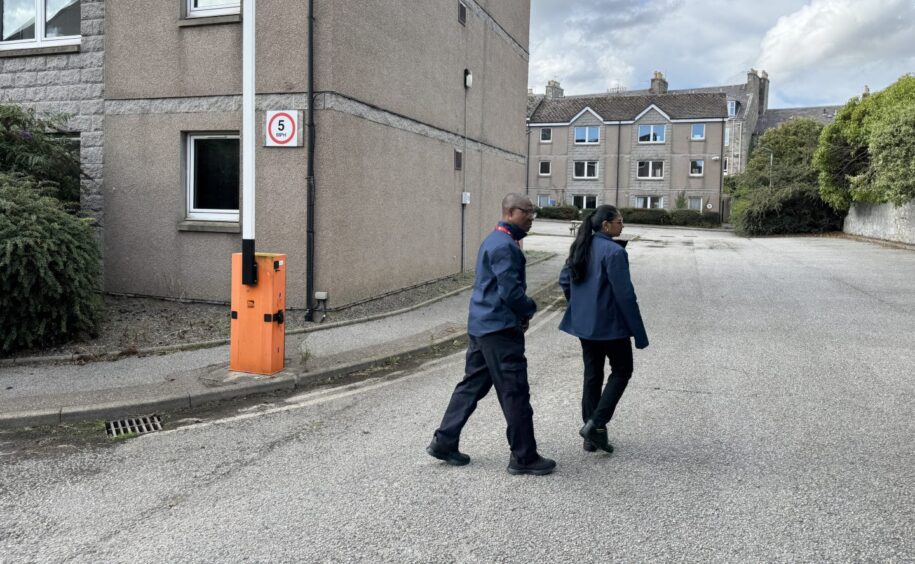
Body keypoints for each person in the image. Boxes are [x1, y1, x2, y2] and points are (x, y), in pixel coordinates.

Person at [427, 193, 556, 476]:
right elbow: (511, 293)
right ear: (510, 212)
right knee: (515, 392)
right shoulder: (505, 247)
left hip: (482, 327)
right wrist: (529, 308)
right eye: (527, 212)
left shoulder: (494, 240)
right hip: (499, 331)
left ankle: (444, 441)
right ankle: (524, 456)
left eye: (533, 213)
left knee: (471, 385)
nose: (532, 218)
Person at [559, 205, 648, 454]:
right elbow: (625, 296)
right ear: (606, 225)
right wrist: (638, 333)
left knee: (592, 376)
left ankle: (591, 438)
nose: (622, 226)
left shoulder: (581, 245)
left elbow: (565, 279)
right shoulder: (613, 252)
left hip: (585, 326)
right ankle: (595, 424)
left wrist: (579, 305)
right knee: (622, 371)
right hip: (611, 328)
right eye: (620, 221)